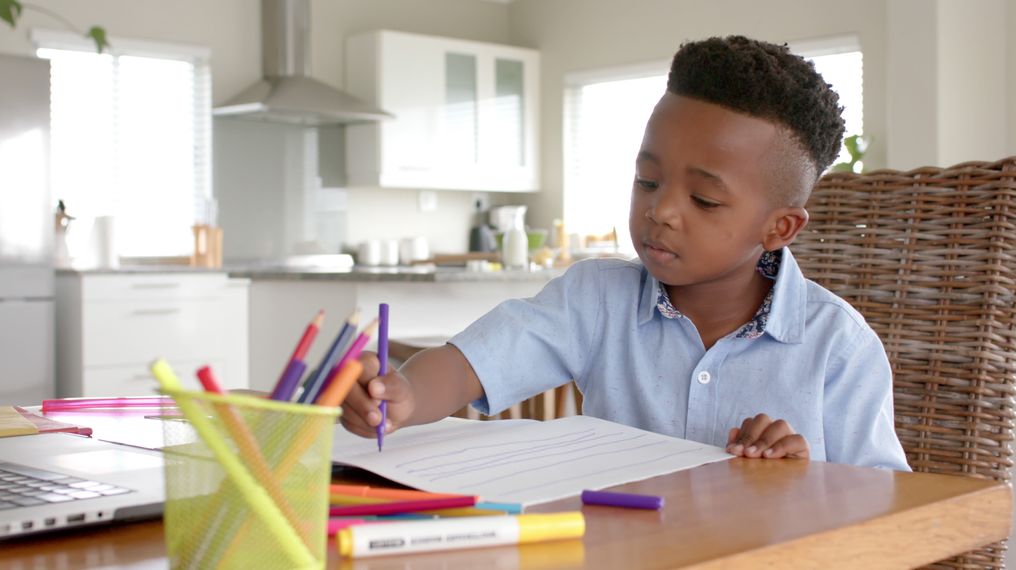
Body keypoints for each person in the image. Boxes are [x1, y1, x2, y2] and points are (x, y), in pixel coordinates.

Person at [342, 35, 910, 471]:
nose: (661, 210)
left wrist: (804, 480)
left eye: (705, 200)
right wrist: (405, 395)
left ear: (779, 228)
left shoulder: (839, 349)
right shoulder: (595, 300)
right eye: (647, 180)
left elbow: (888, 507)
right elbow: (471, 366)